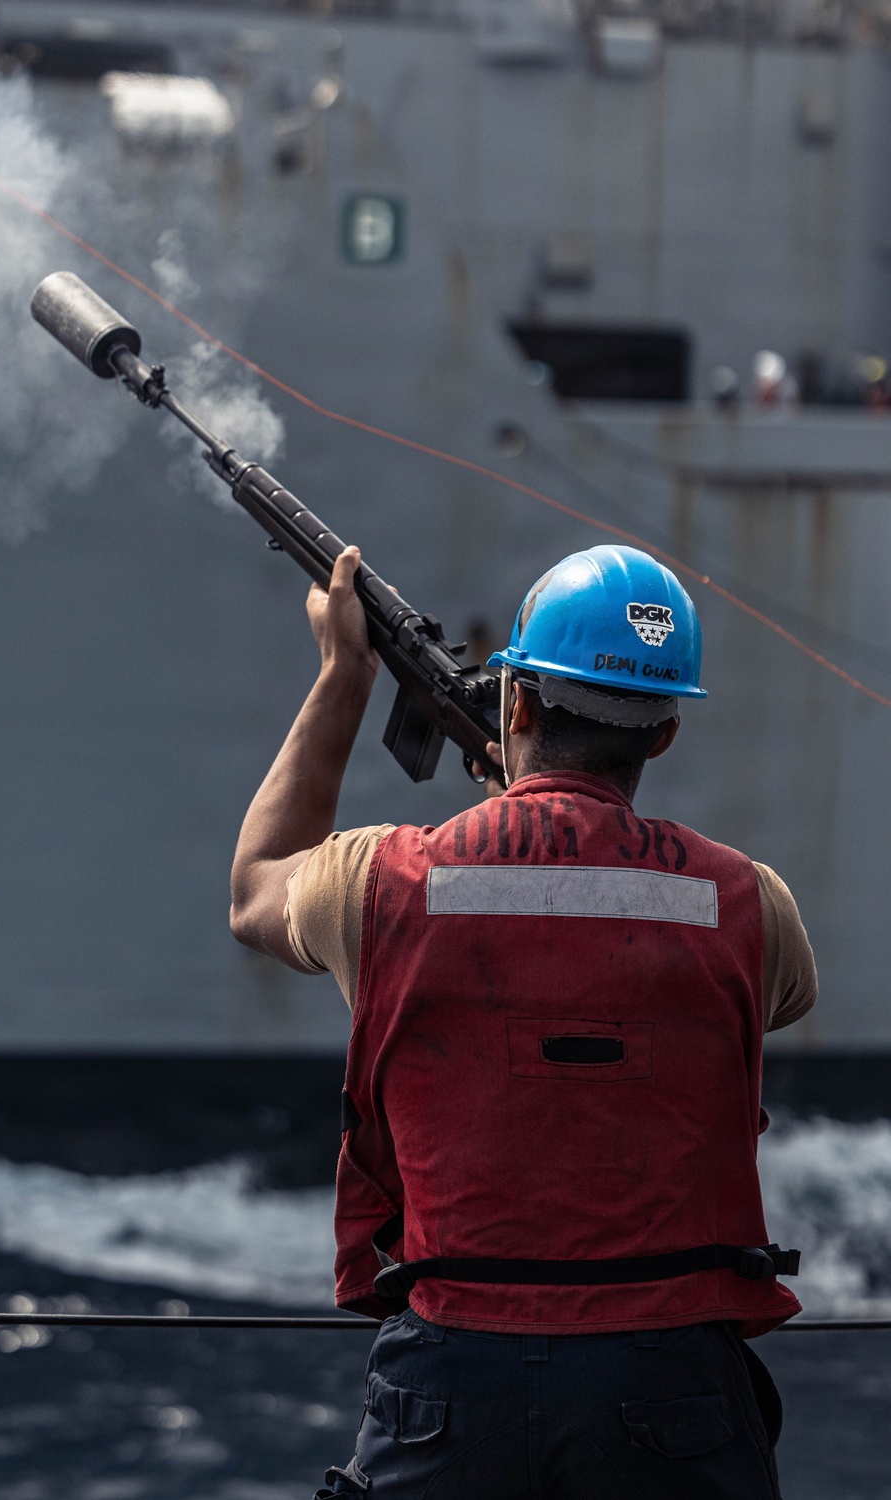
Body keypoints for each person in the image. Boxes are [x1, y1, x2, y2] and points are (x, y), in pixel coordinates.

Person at [230, 541, 817, 1500]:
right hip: (672, 1388)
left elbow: (255, 888)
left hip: (451, 1384)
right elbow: (779, 997)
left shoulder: (381, 881)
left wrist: (345, 675)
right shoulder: (753, 902)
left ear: (517, 705)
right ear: (665, 735)